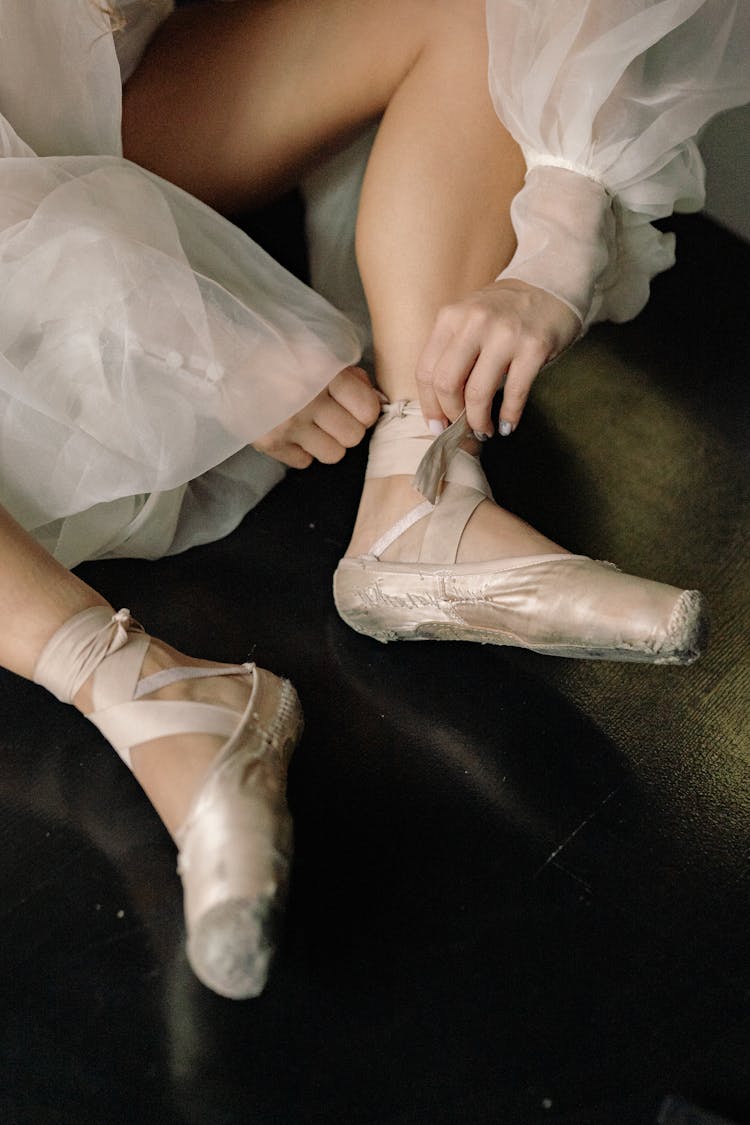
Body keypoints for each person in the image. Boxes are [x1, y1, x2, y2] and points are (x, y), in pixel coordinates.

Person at [0, 0, 747, 998]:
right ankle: (152, 695)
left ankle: (421, 493)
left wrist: (560, 231)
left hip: (100, 94)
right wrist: (175, 324)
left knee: (474, 11)